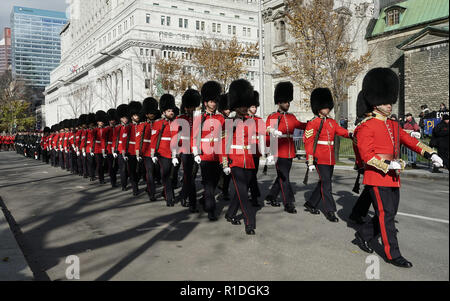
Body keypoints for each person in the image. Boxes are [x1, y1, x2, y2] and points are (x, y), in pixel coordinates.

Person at [353, 67, 444, 268]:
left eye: (390, 101)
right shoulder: (366, 126)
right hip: (376, 176)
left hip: (393, 176)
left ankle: (362, 235)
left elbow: (410, 141)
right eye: (386, 102)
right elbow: (367, 155)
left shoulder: (393, 125)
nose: (390, 105)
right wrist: (387, 164)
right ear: (376, 103)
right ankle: (392, 253)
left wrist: (431, 153)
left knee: (389, 214)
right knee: (386, 216)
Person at [303, 88, 351, 222]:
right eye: (325, 106)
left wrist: (351, 134)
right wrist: (310, 160)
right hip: (320, 157)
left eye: (328, 106)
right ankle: (330, 211)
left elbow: (341, 131)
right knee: (327, 185)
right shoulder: (313, 123)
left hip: (330, 158)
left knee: (323, 183)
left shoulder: (331, 122)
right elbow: (308, 142)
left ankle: (311, 203)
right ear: (319, 107)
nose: (328, 109)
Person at [221, 79, 259, 234]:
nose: (245, 108)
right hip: (235, 161)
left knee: (239, 191)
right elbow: (223, 145)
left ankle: (230, 214)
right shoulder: (229, 122)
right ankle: (249, 222)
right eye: (242, 105)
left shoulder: (251, 122)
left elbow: (260, 134)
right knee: (243, 193)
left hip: (248, 160)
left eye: (246, 104)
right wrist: (225, 163)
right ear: (236, 106)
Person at [264, 81, 307, 213]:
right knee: (285, 178)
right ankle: (289, 202)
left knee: (283, 176)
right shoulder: (273, 117)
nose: (287, 104)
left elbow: (300, 125)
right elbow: (268, 136)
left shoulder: (291, 117)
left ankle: (271, 196)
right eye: (285, 102)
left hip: (289, 152)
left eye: (288, 101)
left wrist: (313, 123)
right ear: (279, 102)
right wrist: (268, 153)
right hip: (278, 152)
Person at [192, 81, 225, 221]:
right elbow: (194, 136)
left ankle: (204, 199)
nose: (213, 104)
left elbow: (224, 138)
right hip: (204, 155)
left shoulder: (221, 118)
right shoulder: (199, 118)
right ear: (205, 103)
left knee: (216, 181)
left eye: (215, 101)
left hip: (217, 155)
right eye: (211, 101)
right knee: (208, 184)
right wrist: (195, 152)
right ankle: (211, 210)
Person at [173, 90, 201, 210]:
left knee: (191, 176)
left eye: (192, 107)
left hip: (196, 151)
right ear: (185, 107)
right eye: (189, 107)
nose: (190, 110)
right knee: (188, 175)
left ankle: (184, 194)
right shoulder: (180, 118)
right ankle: (192, 202)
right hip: (184, 150)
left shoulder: (199, 118)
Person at [150, 94, 178, 207]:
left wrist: (176, 155)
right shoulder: (158, 123)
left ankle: (165, 192)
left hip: (173, 154)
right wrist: (153, 154)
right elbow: (153, 140)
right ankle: (169, 198)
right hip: (162, 153)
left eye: (172, 110)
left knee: (172, 176)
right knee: (166, 176)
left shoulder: (176, 123)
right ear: (163, 112)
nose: (171, 112)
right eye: (168, 110)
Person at [135, 97, 160, 202]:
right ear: (146, 114)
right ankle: (152, 193)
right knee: (149, 172)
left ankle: (150, 187)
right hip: (146, 152)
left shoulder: (159, 123)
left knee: (157, 172)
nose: (152, 114)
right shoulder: (142, 125)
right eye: (149, 113)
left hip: (158, 151)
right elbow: (138, 139)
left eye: (153, 112)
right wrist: (137, 153)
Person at [247, 91, 264, 207]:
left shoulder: (259, 120)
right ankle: (254, 196)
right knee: (251, 175)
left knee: (253, 174)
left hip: (256, 150)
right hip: (247, 150)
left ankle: (251, 195)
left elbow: (264, 134)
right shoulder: (243, 119)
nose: (255, 109)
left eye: (256, 106)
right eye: (253, 106)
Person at [114, 104, 131, 191]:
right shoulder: (118, 128)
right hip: (120, 151)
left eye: (126, 118)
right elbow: (115, 140)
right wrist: (114, 150)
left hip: (129, 151)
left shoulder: (130, 127)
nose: (125, 119)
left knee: (130, 169)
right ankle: (124, 185)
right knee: (122, 169)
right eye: (123, 118)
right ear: (120, 118)